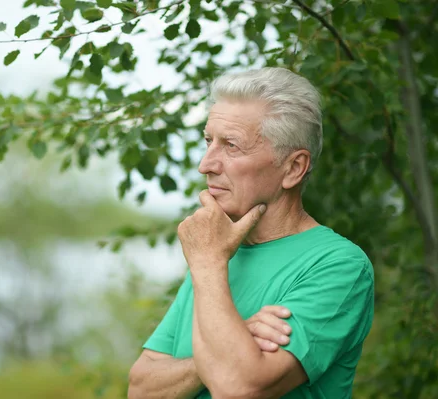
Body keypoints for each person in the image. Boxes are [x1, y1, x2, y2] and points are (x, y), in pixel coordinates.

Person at [128, 67, 374, 399]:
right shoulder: (217, 255)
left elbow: (237, 386)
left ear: (293, 168)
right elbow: (141, 389)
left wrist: (209, 265)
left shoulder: (339, 266)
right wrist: (227, 347)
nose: (206, 164)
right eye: (208, 141)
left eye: (231, 145)